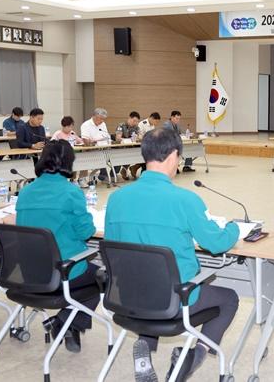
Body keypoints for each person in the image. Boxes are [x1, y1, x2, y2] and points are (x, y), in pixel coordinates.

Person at [105, 127, 240, 382]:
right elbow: (216, 243)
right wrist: (234, 228)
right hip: (175, 301)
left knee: (146, 277)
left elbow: (111, 248)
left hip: (127, 297)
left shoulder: (116, 198)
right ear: (174, 156)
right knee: (229, 298)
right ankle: (194, 356)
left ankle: (144, 348)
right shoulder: (185, 200)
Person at [15, 140, 99, 353]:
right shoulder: (71, 192)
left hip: (28, 272)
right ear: (69, 162)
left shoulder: (25, 191)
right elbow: (86, 232)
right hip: (62, 273)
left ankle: (66, 324)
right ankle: (65, 321)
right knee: (102, 277)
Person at [114, 111, 141, 180]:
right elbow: (118, 138)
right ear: (129, 118)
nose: (135, 123)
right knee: (126, 155)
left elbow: (140, 137)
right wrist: (127, 140)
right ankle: (117, 172)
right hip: (120, 148)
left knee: (140, 153)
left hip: (130, 148)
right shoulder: (121, 125)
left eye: (137, 121)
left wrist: (138, 137)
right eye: (134, 121)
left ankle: (125, 169)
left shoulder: (136, 127)